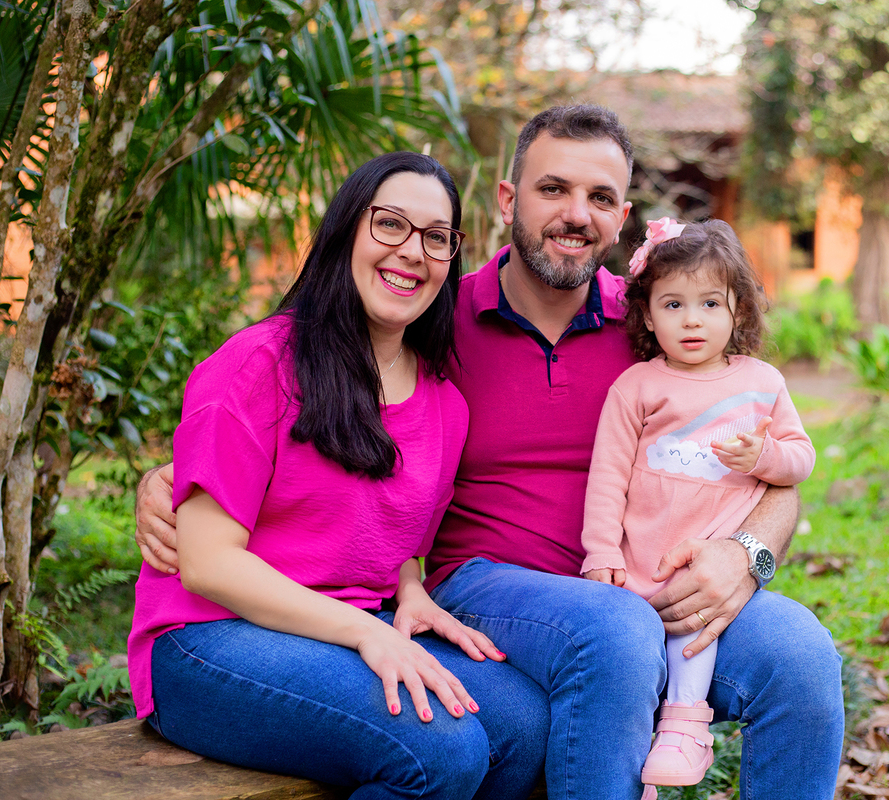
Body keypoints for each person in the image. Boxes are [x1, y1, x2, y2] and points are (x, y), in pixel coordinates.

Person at [136, 106, 845, 800]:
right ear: (508, 199)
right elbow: (306, 403)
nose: (576, 213)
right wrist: (170, 478)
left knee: (800, 655)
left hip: (642, 574)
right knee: (589, 648)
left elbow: (773, 461)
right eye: (552, 188)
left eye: (599, 197)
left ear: (622, 215)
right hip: (494, 590)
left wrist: (746, 554)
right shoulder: (435, 322)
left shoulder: (658, 319)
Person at [127, 152, 549, 800]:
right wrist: (365, 632)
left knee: (523, 724)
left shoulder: (444, 405)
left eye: (436, 237)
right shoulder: (258, 364)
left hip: (352, 625)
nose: (413, 251)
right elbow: (208, 564)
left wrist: (409, 593)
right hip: (206, 638)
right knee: (443, 749)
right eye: (390, 225)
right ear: (346, 230)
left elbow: (400, 542)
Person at [580, 217, 816, 791]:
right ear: (646, 314)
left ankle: (686, 727)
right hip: (642, 559)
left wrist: (762, 456)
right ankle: (638, 763)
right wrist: (600, 553)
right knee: (628, 652)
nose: (692, 319)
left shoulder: (762, 384)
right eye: (673, 304)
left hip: (709, 560)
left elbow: (800, 460)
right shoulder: (636, 386)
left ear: (738, 308)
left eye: (711, 303)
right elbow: (607, 476)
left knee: (696, 630)